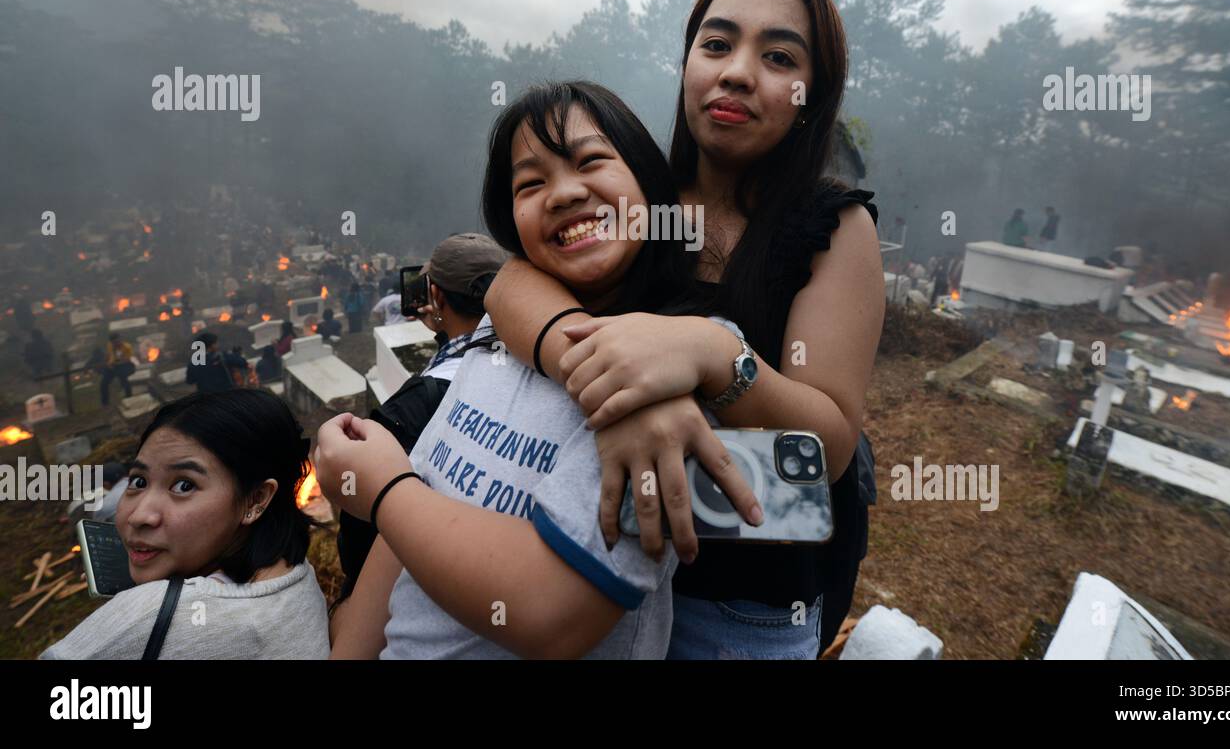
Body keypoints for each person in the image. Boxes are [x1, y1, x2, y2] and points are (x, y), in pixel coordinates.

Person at [485, 0, 884, 658]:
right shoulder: (644, 194)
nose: (736, 72)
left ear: (809, 93)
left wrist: (709, 353)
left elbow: (827, 447)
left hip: (736, 615)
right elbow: (510, 286)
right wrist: (609, 377)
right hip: (597, 575)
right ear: (688, 63)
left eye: (778, 56)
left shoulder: (833, 228)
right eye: (717, 44)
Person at [320, 81, 736, 659]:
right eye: (531, 182)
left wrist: (384, 489)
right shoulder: (497, 336)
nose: (563, 193)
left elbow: (551, 613)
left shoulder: (671, 368)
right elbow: (418, 518)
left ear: (648, 180)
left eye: (591, 160)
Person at [41, 389, 330, 659]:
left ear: (255, 500)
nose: (139, 515)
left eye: (183, 485)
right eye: (138, 481)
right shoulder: (301, 579)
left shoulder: (149, 615)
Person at [332, 232, 509, 613]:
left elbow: (362, 518)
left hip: (404, 592)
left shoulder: (416, 401)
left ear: (437, 296)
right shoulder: (523, 366)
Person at [99, 335, 136, 406]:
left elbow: (127, 359)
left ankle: (129, 397)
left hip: (125, 365)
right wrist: (107, 363)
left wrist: (116, 363)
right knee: (103, 384)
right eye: (114, 342)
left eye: (117, 341)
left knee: (123, 377)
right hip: (112, 366)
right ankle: (105, 403)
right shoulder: (110, 346)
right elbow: (108, 355)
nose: (116, 344)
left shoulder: (127, 347)